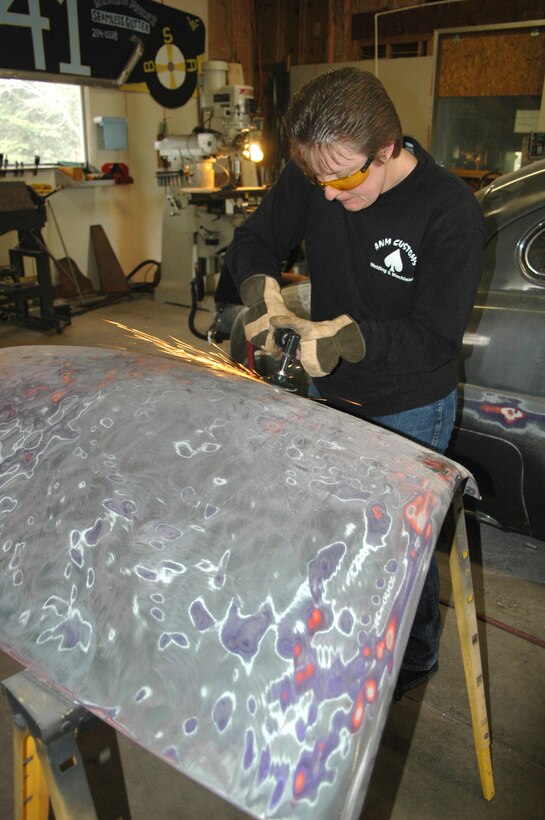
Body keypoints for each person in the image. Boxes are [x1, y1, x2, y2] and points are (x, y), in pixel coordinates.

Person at [225, 67, 484, 700]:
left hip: (410, 407)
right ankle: (340, 638)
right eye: (319, 181)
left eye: (344, 178)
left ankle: (413, 660)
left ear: (389, 148)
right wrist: (260, 291)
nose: (330, 198)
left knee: (399, 550)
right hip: (328, 394)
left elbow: (434, 339)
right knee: (332, 530)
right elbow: (254, 239)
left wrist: (345, 341)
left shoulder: (450, 211)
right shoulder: (318, 174)